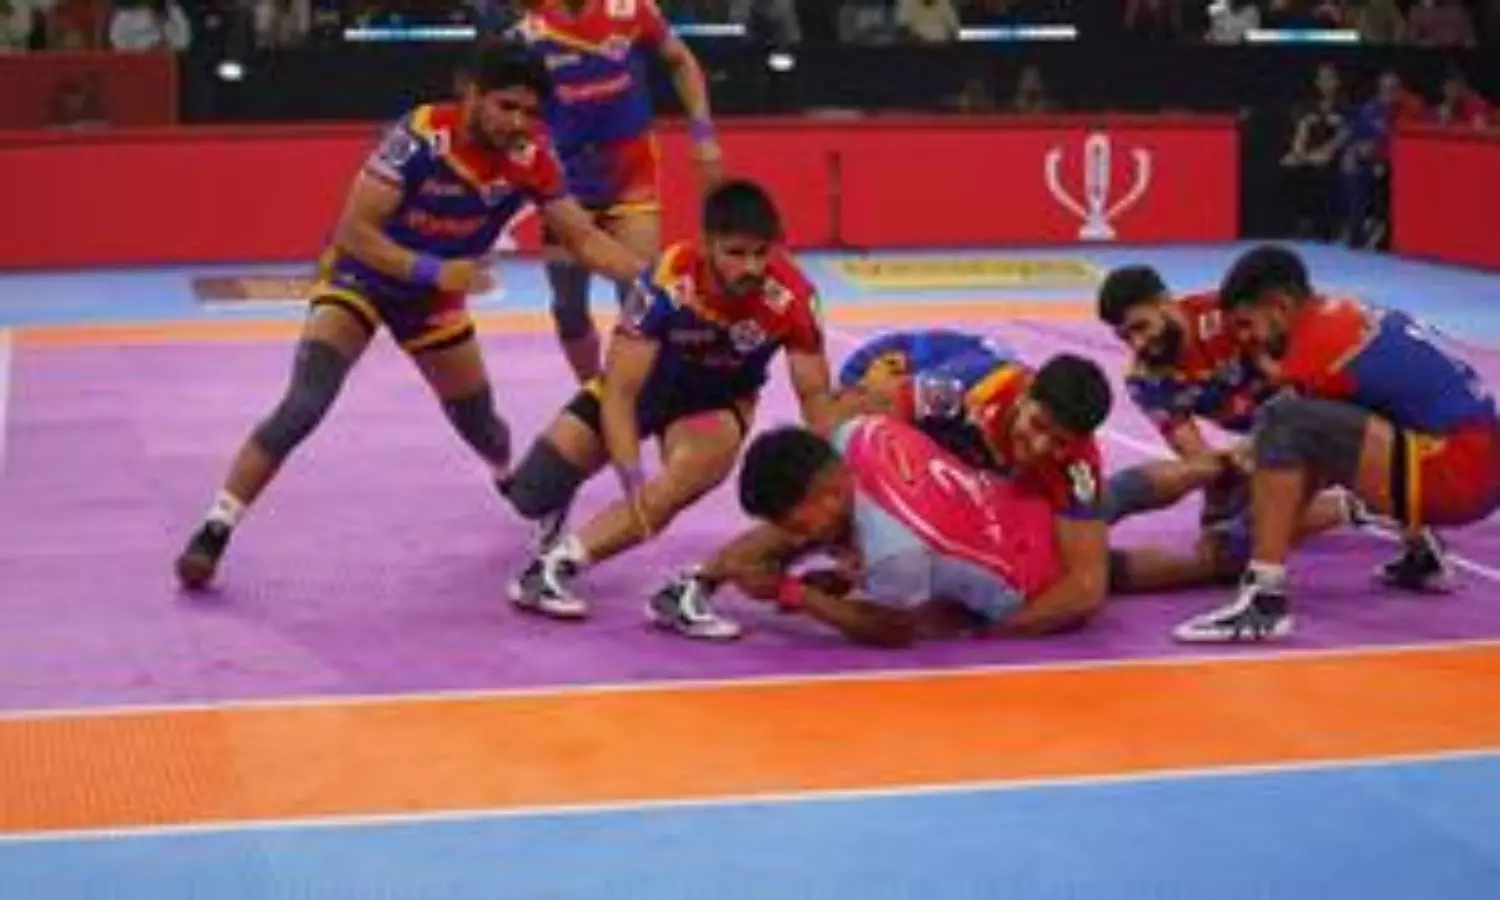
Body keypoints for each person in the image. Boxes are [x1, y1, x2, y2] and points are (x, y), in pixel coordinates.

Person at [174, 41, 647, 590]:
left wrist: (647, 279)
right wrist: (432, 270)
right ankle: (215, 528)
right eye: (506, 106)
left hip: (431, 303)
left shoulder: (532, 158)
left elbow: (583, 238)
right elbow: (355, 229)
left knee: (481, 424)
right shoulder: (421, 136)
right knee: (305, 402)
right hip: (363, 278)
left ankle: (509, 478)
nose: (518, 123)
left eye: (529, 111)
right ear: (470, 94)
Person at [501, 179, 835, 622]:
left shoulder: (793, 298)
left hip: (713, 405)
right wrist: (629, 473)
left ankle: (550, 569)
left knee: (671, 489)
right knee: (531, 494)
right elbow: (620, 392)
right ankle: (558, 497)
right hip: (644, 389)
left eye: (761, 253)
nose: (751, 267)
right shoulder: (667, 279)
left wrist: (831, 479)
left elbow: (815, 396)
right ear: (708, 245)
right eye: (735, 253)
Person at [650, 346, 1114, 639]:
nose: (1042, 447)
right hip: (907, 390)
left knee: (1107, 534)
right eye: (1038, 426)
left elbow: (1086, 588)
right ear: (1026, 395)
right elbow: (845, 424)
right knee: (811, 501)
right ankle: (700, 579)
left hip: (985, 489)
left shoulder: (1079, 465)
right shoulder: (961, 391)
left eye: (1059, 442)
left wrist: (988, 629)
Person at [1174, 245, 1500, 643]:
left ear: (1279, 306)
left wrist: (1249, 514)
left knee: (1283, 421)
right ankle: (1423, 555)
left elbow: (1287, 450)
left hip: (1455, 473)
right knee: (1337, 423)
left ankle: (1265, 600)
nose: (1245, 340)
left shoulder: (1315, 347)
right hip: (1476, 462)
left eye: (1247, 324)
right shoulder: (1346, 313)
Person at [682, 415, 1104, 648]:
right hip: (1015, 504)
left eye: (797, 525)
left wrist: (791, 593)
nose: (794, 540)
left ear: (829, 493)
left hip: (1031, 579)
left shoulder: (893, 552)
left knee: (1113, 570)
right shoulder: (859, 432)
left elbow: (896, 629)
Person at [1095, 265, 1356, 593]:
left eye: (1141, 327)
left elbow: (1303, 378)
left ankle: (1357, 501)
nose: (1138, 344)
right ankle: (1348, 504)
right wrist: (1221, 498)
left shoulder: (1230, 313)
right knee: (1228, 538)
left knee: (1263, 508)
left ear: (1164, 301)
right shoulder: (1145, 379)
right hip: (1267, 432)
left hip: (1322, 406)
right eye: (1125, 337)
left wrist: (1261, 449)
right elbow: (1198, 458)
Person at [515, 0, 722, 383]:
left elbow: (680, 61)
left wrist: (703, 132)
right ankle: (592, 392)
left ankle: (631, 392)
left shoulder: (631, 9)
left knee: (639, 296)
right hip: (565, 180)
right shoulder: (526, 26)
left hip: (631, 174)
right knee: (568, 307)